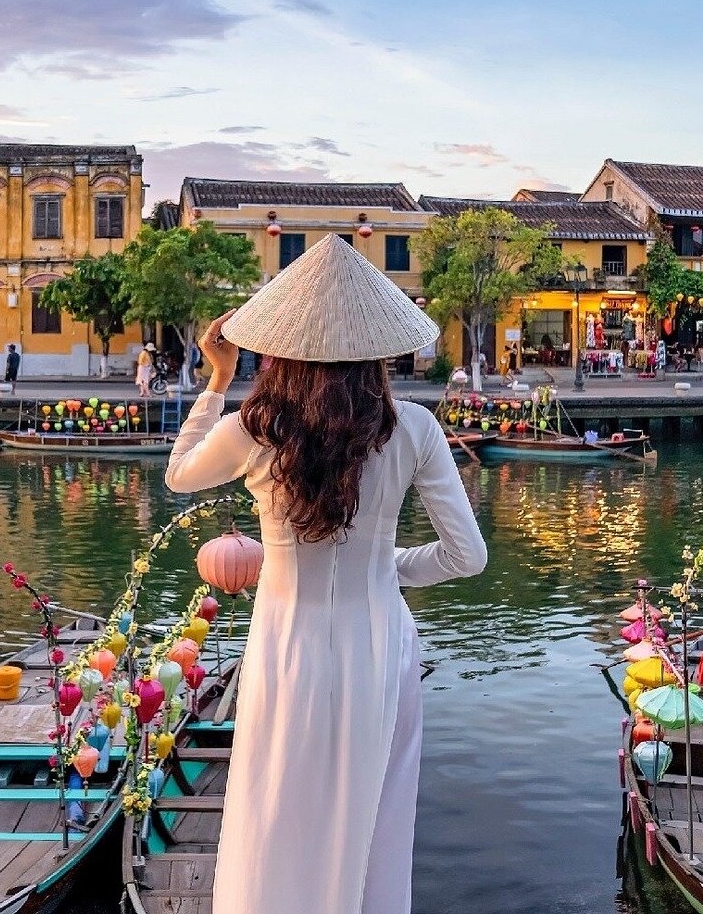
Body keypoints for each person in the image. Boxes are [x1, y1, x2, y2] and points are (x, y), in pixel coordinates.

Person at [164, 235, 486, 914]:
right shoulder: (417, 429)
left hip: (288, 643)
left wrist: (217, 378)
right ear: (376, 347)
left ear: (279, 345)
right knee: (376, 815)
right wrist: (387, 566)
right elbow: (467, 558)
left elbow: (178, 474)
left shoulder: (254, 429)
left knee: (279, 808)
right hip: (382, 643)